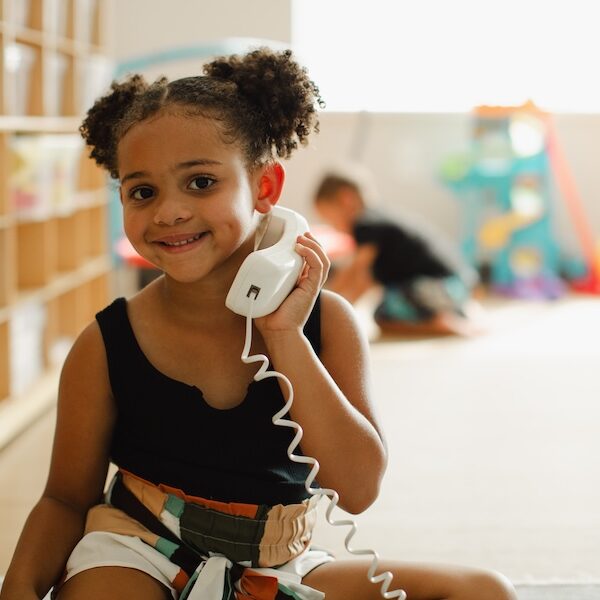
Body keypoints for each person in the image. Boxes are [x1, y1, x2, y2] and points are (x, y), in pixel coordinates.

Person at [0, 48, 514, 600]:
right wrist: (19, 588)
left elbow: (358, 489)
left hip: (279, 563)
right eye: (142, 192)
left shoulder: (327, 323)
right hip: (138, 551)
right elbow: (64, 499)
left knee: (484, 590)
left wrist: (285, 337)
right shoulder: (107, 342)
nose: (169, 211)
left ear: (265, 189)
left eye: (200, 182)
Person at [313, 170, 484, 337]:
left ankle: (444, 321)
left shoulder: (366, 223)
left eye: (330, 219)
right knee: (383, 314)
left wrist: (327, 310)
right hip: (455, 285)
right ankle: (456, 313)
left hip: (442, 285)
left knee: (390, 309)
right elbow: (368, 280)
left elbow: (358, 275)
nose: (334, 227)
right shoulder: (379, 220)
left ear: (346, 198)